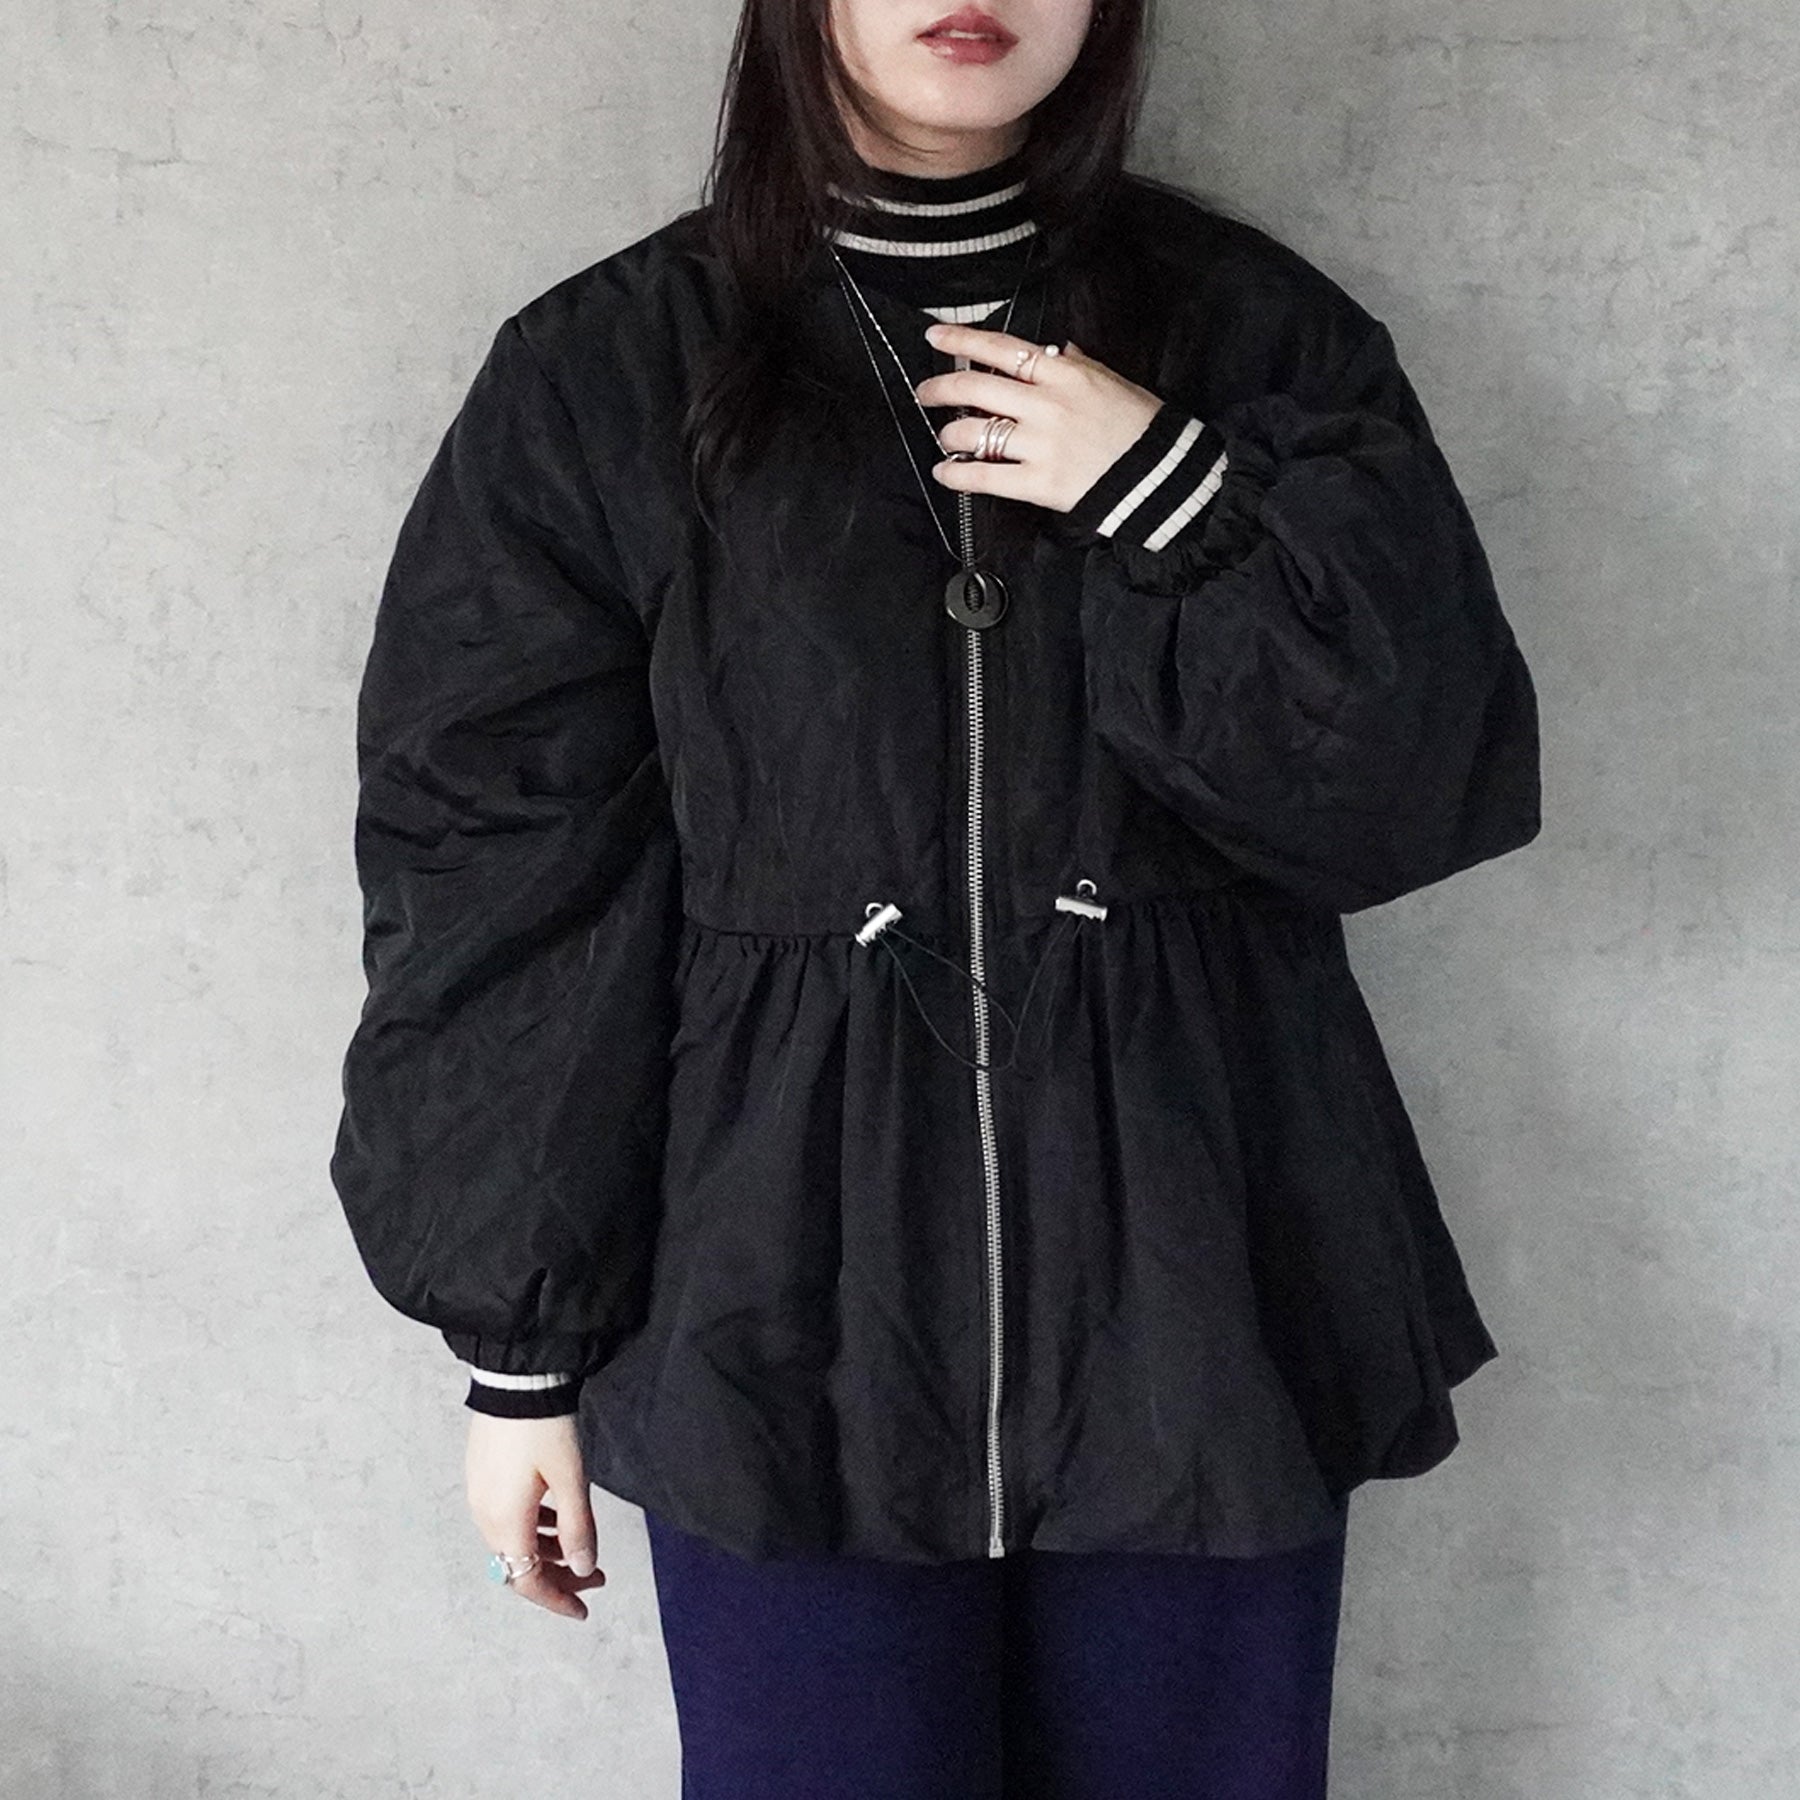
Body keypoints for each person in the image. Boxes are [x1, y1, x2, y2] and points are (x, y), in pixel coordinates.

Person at [329, 0, 1541, 1792]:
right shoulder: (606, 372)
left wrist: (1173, 496)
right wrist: (521, 1351)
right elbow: (499, 868)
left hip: (1200, 1279)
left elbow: (1415, 787)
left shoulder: (1260, 339)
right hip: (779, 1311)